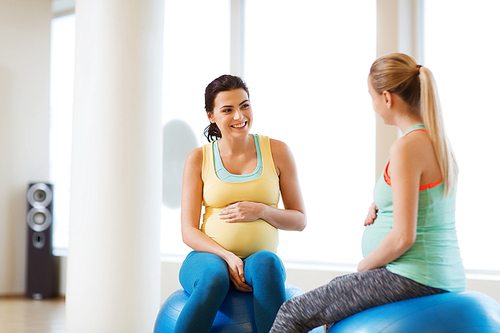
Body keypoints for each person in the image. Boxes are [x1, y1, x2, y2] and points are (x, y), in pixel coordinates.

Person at [269, 53, 466, 333]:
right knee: (334, 304)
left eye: (372, 96)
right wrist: (383, 204)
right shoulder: (436, 141)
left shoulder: (407, 147)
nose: (373, 105)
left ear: (387, 98)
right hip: (440, 273)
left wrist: (365, 265)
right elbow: (425, 204)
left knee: (292, 313)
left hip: (412, 276)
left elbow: (403, 236)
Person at [176, 74, 307, 333]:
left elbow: (299, 220)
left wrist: (261, 210)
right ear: (211, 116)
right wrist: (227, 257)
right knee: (215, 278)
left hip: (258, 257)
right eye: (228, 110)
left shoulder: (277, 151)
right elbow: (188, 231)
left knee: (267, 265)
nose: (239, 116)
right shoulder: (198, 158)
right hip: (208, 257)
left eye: (244, 105)